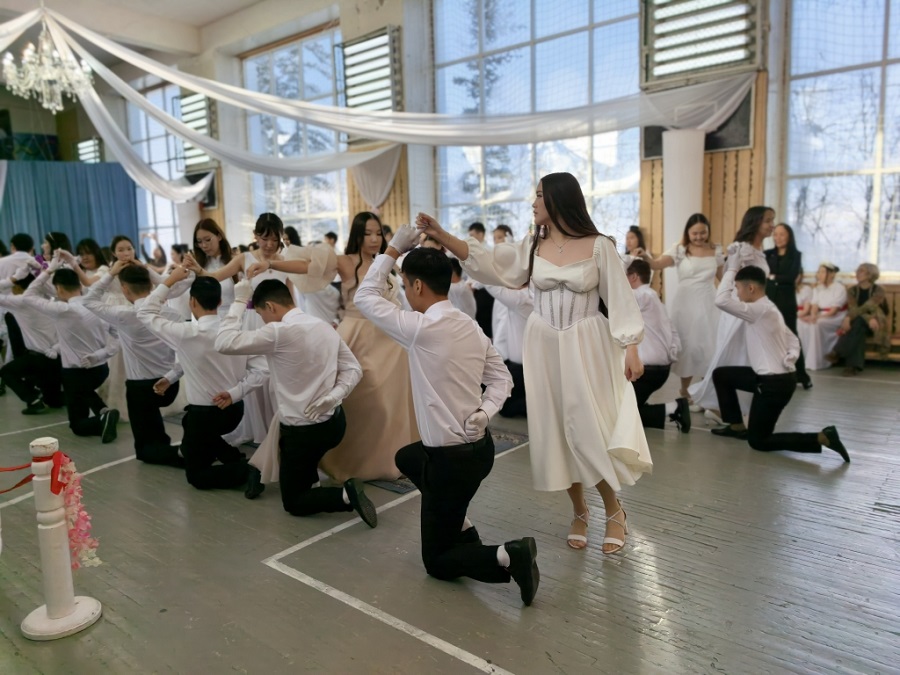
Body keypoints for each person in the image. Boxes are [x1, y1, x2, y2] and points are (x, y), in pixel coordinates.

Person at [416, 172, 652, 555]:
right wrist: (442, 235)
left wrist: (632, 347)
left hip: (586, 344)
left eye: (539, 195)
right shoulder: (532, 245)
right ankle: (579, 511)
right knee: (556, 431)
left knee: (589, 429)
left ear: (558, 199)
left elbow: (621, 299)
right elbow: (489, 263)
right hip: (543, 344)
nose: (533, 202)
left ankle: (614, 510)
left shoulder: (600, 246)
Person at [355, 234, 539, 605]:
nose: (404, 290)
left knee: (437, 562)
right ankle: (460, 525)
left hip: (451, 464)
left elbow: (364, 296)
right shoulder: (468, 325)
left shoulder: (420, 329)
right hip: (480, 452)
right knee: (407, 457)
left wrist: (393, 249)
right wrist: (486, 411)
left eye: (405, 283)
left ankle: (507, 555)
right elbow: (502, 380)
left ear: (417, 286)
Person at [248, 211, 419, 481]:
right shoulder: (345, 261)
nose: (374, 239)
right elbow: (308, 267)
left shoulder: (387, 262)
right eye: (368, 233)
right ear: (357, 235)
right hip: (357, 335)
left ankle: (388, 459)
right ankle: (341, 458)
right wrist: (272, 264)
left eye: (378, 233)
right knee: (357, 398)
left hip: (389, 340)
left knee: (391, 403)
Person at [215, 279, 377, 523]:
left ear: (270, 307)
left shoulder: (278, 332)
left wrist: (238, 301)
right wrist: (334, 396)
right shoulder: (323, 326)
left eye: (260, 314)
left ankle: (345, 496)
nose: (262, 320)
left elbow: (223, 342)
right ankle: (311, 483)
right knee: (301, 463)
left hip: (303, 433)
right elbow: (353, 369)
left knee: (294, 502)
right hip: (334, 423)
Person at [138, 270, 267, 490]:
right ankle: (231, 457)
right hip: (234, 410)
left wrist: (170, 280)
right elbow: (262, 370)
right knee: (190, 425)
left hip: (205, 415)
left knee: (196, 476)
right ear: (219, 301)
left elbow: (144, 311)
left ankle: (246, 470)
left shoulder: (184, 333)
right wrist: (236, 392)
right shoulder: (235, 332)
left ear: (192, 302)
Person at [709, 265, 850, 463]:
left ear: (751, 288)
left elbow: (721, 301)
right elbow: (793, 339)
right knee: (722, 375)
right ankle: (736, 426)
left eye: (738, 288)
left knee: (758, 441)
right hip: (774, 379)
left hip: (773, 386)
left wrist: (731, 269)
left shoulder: (758, 309)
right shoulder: (769, 308)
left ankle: (821, 437)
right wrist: (790, 358)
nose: (737, 294)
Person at [83, 262, 184, 466]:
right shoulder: (173, 314)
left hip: (142, 388)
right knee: (152, 422)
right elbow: (185, 353)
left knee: (145, 451)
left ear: (125, 289)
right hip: (171, 383)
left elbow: (89, 300)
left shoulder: (124, 314)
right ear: (151, 285)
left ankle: (184, 454)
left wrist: (110, 273)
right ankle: (163, 443)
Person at [688, 206, 775, 418]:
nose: (772, 225)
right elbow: (731, 277)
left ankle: (721, 404)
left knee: (742, 357)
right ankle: (716, 404)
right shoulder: (743, 249)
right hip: (739, 311)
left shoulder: (758, 250)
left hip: (750, 311)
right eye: (768, 221)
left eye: (772, 220)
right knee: (732, 355)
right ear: (755, 222)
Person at [21, 262, 120, 441]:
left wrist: (48, 270)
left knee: (77, 425)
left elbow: (28, 296)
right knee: (85, 393)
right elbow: (116, 335)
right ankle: (103, 413)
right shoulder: (96, 306)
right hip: (101, 369)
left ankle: (102, 418)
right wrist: (101, 353)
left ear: (58, 288)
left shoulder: (63, 309)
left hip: (75, 372)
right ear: (79, 285)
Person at [637, 213, 723, 406]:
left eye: (703, 232)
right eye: (695, 233)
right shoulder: (680, 249)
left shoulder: (716, 250)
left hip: (709, 301)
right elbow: (657, 264)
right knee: (689, 346)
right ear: (688, 233)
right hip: (686, 303)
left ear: (708, 231)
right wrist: (645, 256)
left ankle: (705, 393)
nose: (699, 237)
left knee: (708, 346)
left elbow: (723, 277)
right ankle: (685, 390)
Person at [625, 259, 690, 432]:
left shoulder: (641, 296)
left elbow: (617, 297)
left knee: (620, 415)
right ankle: (667, 408)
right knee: (629, 405)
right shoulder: (655, 297)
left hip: (648, 371)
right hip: (660, 368)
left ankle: (674, 408)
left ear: (633, 277)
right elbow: (673, 332)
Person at [0, 267, 63, 413]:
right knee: (53, 401)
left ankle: (33, 399)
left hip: (39, 359)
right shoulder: (46, 299)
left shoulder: (21, 302)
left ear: (17, 287)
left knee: (6, 372)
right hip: (58, 359)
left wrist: (12, 279)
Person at [764, 223, 811, 388]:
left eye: (782, 234)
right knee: (769, 335)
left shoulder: (795, 255)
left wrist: (772, 277)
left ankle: (802, 375)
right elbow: (763, 275)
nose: (778, 238)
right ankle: (774, 372)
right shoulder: (767, 254)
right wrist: (774, 278)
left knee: (791, 336)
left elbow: (791, 277)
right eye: (775, 234)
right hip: (769, 299)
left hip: (786, 301)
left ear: (789, 236)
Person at [827, 263, 890, 375]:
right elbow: (853, 308)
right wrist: (852, 318)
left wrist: (849, 318)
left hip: (876, 323)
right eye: (857, 270)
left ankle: (838, 351)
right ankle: (852, 367)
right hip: (858, 323)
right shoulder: (852, 290)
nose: (857, 273)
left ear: (870, 274)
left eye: (861, 271)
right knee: (858, 327)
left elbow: (868, 306)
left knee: (857, 323)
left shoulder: (879, 290)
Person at [484, 283, 532, 418]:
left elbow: (490, 285)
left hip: (521, 367)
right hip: (510, 360)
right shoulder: (518, 298)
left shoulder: (522, 299)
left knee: (505, 408)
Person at [797, 263, 847, 370]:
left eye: (823, 272)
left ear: (832, 274)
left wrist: (817, 318)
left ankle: (820, 362)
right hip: (821, 315)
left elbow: (833, 311)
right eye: (819, 272)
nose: (819, 274)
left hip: (835, 317)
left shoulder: (839, 288)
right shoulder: (818, 288)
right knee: (804, 322)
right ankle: (806, 359)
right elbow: (814, 305)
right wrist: (813, 315)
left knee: (816, 324)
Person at [468, 222, 494, 339]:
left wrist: (474, 285)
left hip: (485, 291)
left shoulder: (488, 250)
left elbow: (488, 274)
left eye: (472, 235)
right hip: (475, 289)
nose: (470, 238)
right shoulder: (474, 250)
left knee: (484, 323)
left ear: (481, 234)